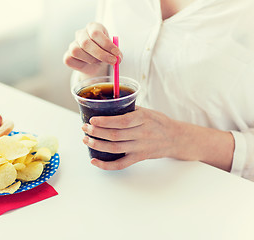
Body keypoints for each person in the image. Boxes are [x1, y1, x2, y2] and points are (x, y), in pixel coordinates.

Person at [63, 0, 254, 181]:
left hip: (220, 194)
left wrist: (177, 138)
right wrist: (93, 69)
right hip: (122, 182)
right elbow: (110, 73)